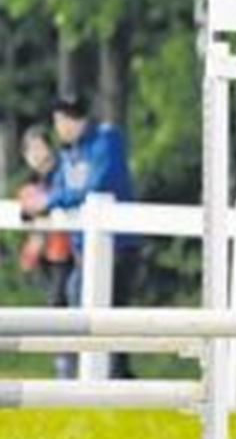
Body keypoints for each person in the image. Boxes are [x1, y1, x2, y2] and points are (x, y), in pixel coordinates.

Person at [20, 95, 142, 379]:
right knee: (77, 303)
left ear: (77, 119)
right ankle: (78, 373)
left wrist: (49, 203)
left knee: (114, 313)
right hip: (83, 250)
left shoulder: (106, 139)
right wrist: (48, 201)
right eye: (57, 122)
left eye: (63, 121)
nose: (60, 128)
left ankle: (115, 376)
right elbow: (62, 188)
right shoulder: (69, 153)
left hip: (118, 246)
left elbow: (96, 186)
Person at [17, 125, 77, 379]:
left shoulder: (62, 172)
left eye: (40, 146)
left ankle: (69, 365)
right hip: (49, 255)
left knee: (65, 306)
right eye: (31, 150)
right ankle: (63, 363)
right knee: (56, 306)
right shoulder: (33, 183)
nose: (37, 154)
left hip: (69, 252)